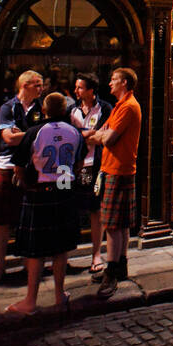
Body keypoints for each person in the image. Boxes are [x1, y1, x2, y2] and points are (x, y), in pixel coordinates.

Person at [6, 92, 85, 316]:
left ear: (45, 110)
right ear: (66, 110)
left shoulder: (34, 132)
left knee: (36, 249)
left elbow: (19, 167)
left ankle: (30, 300)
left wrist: (25, 185)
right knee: (60, 247)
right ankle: (60, 295)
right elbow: (79, 164)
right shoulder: (75, 132)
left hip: (39, 191)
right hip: (64, 189)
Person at [91, 67, 142, 299]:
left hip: (118, 169)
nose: (109, 83)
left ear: (124, 82)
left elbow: (107, 138)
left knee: (112, 223)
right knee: (120, 223)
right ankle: (120, 266)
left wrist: (101, 135)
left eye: (113, 80)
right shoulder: (121, 106)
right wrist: (100, 134)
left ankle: (111, 272)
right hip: (114, 168)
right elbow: (99, 132)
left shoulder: (129, 107)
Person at [0, 69, 46, 285]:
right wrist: (33, 133)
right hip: (7, 165)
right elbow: (8, 138)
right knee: (3, 219)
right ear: (24, 85)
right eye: (37, 84)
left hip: (32, 166)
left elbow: (45, 133)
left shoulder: (40, 108)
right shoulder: (8, 107)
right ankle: (0, 266)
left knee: (29, 218)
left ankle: (27, 263)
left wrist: (22, 134)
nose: (41, 89)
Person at [70, 73, 112, 278]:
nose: (76, 91)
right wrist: (88, 134)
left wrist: (80, 134)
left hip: (96, 166)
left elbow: (105, 136)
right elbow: (68, 137)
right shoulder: (71, 109)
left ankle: (96, 254)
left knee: (96, 210)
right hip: (71, 168)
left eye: (80, 88)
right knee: (70, 209)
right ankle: (65, 254)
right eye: (76, 87)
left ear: (91, 90)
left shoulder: (105, 108)